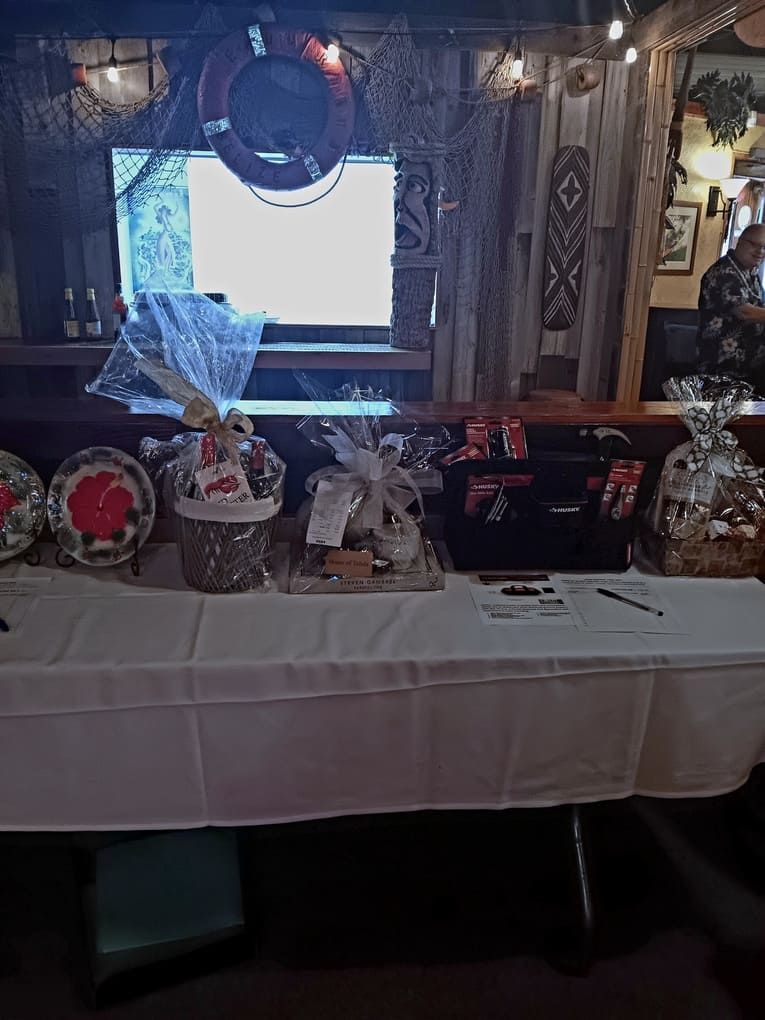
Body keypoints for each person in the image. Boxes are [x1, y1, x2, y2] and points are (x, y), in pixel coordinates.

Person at [697, 223, 765, 395]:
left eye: (764, 247)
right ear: (740, 241)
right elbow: (745, 312)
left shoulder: (751, 274)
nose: (760, 251)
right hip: (722, 370)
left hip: (749, 370)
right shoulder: (724, 272)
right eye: (754, 244)